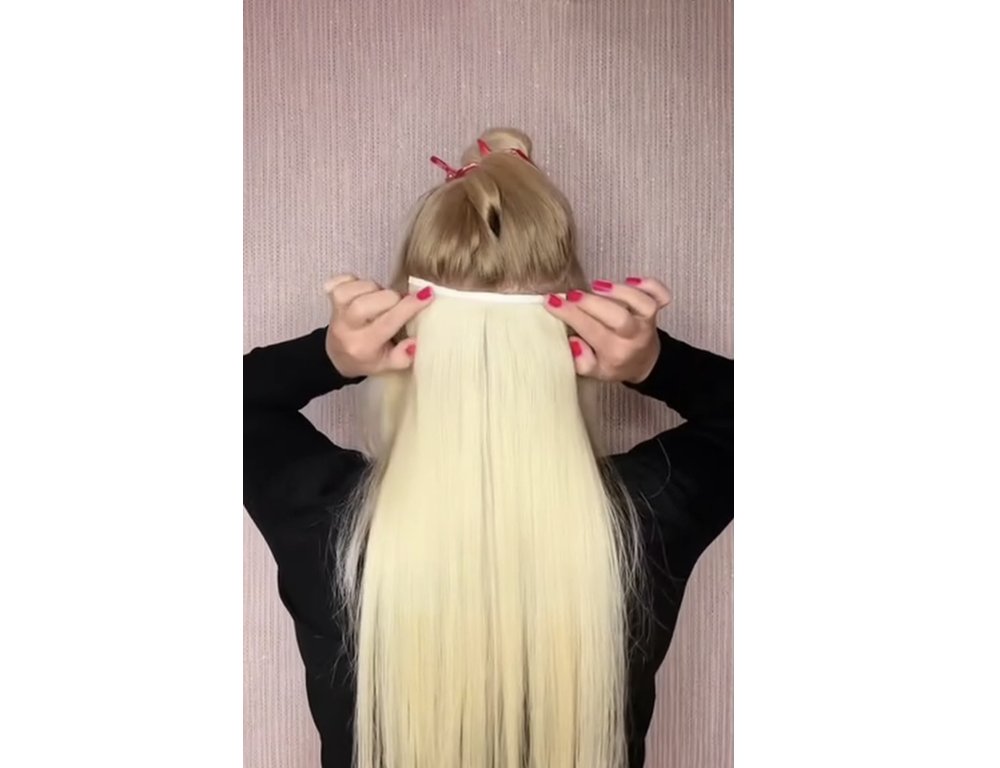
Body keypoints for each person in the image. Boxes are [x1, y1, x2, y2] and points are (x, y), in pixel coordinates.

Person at [243, 128, 732, 768]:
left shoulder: (327, 523)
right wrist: (657, 364)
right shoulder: (647, 521)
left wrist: (328, 356)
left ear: (408, 330)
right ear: (572, 337)